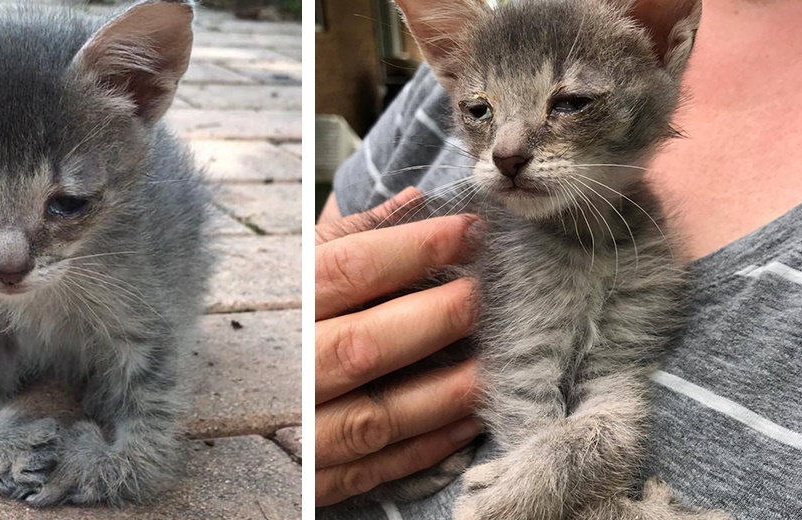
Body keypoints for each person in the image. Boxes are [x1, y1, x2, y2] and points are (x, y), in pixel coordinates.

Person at [314, 0, 802, 518]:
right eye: (479, 111)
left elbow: (613, 387)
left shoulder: (647, 242)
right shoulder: (473, 71)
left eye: (570, 102)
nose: (506, 149)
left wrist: (575, 481)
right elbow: (525, 395)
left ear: (661, 42)